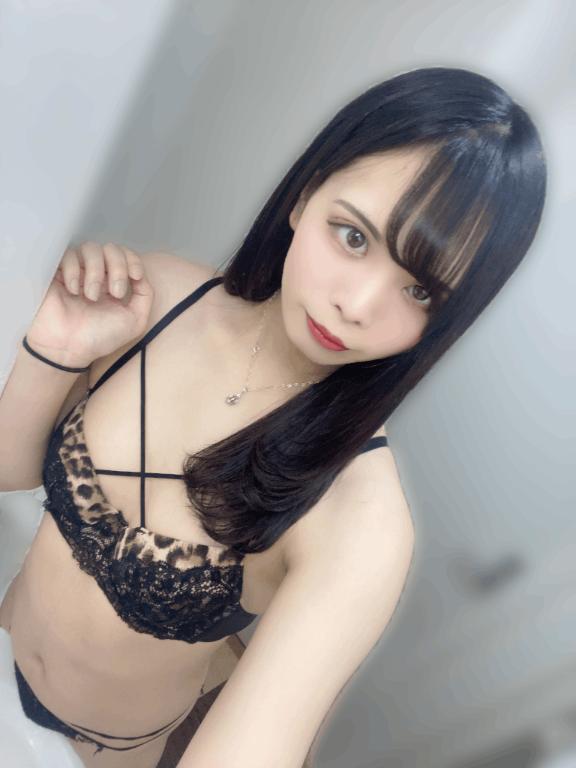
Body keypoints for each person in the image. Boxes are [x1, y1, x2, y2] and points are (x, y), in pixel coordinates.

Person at [0, 65, 546, 768]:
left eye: (419, 291)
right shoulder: (155, 295)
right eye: (353, 237)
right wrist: (54, 350)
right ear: (305, 194)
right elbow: (9, 472)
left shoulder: (360, 521)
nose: (356, 305)